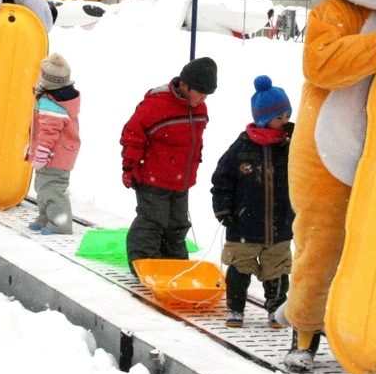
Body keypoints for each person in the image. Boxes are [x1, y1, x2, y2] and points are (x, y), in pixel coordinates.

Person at [210, 76, 295, 328]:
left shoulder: (290, 147)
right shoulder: (241, 148)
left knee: (278, 270)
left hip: (280, 223)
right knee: (239, 268)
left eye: (288, 115)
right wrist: (223, 209)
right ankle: (235, 308)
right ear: (262, 119)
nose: (285, 121)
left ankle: (276, 309)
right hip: (243, 224)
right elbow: (222, 181)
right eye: (279, 117)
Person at [120, 56, 216, 272]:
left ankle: (174, 266)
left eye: (207, 95)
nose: (203, 99)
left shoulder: (199, 108)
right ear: (184, 85)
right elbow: (132, 136)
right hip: (153, 178)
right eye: (200, 93)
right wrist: (129, 166)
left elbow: (195, 141)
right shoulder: (157, 105)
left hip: (181, 181)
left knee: (177, 225)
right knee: (152, 223)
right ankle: (144, 264)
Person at [25, 53, 81, 235]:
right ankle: (46, 217)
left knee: (53, 189)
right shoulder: (59, 97)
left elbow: (49, 133)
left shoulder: (53, 104)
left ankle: (60, 224)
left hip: (55, 154)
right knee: (42, 187)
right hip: (55, 153)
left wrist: (42, 153)